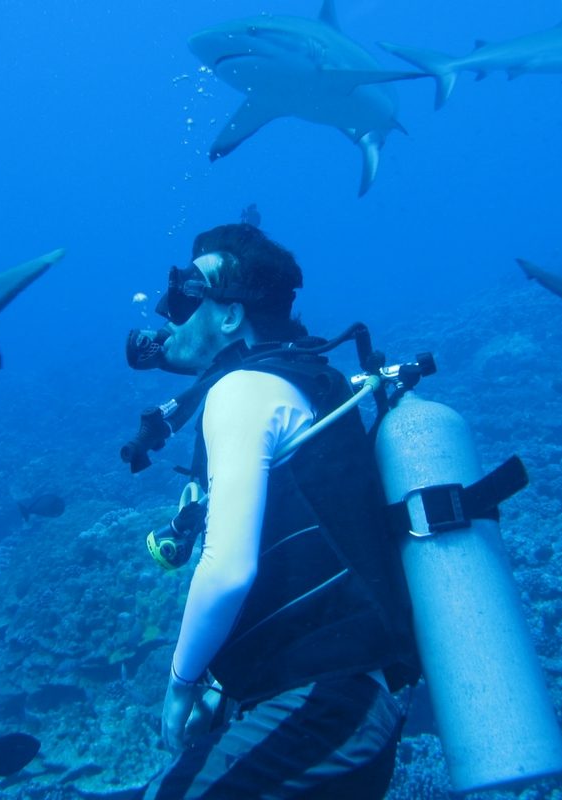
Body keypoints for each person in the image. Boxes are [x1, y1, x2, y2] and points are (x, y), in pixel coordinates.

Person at [126, 223, 417, 799]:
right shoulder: (304, 381)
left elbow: (228, 569)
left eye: (186, 294)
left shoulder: (242, 389)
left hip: (326, 704)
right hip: (343, 705)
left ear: (231, 315)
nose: (167, 312)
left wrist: (182, 683)